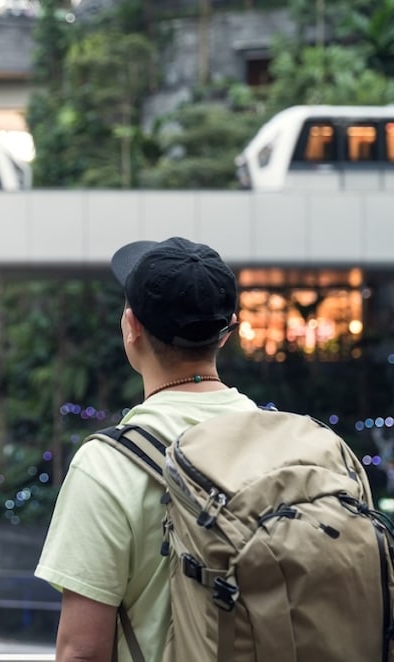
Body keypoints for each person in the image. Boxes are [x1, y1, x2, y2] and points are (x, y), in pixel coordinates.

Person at [34, 236, 258, 662]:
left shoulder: (107, 465)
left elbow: (82, 652)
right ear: (227, 330)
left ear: (131, 327)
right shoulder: (295, 443)